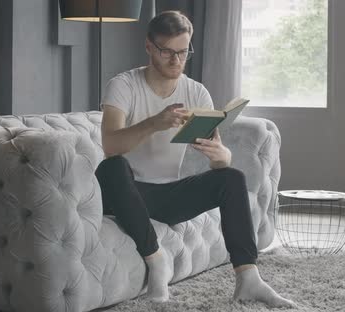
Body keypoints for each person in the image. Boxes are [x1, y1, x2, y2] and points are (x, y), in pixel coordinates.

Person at [95, 10, 297, 308]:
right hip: (125, 193)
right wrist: (154, 123)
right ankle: (156, 259)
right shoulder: (123, 86)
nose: (176, 61)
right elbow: (111, 145)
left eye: (183, 52)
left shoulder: (196, 92)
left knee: (231, 177)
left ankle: (248, 277)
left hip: (167, 194)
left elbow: (217, 157)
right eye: (167, 52)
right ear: (149, 46)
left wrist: (221, 156)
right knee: (112, 166)